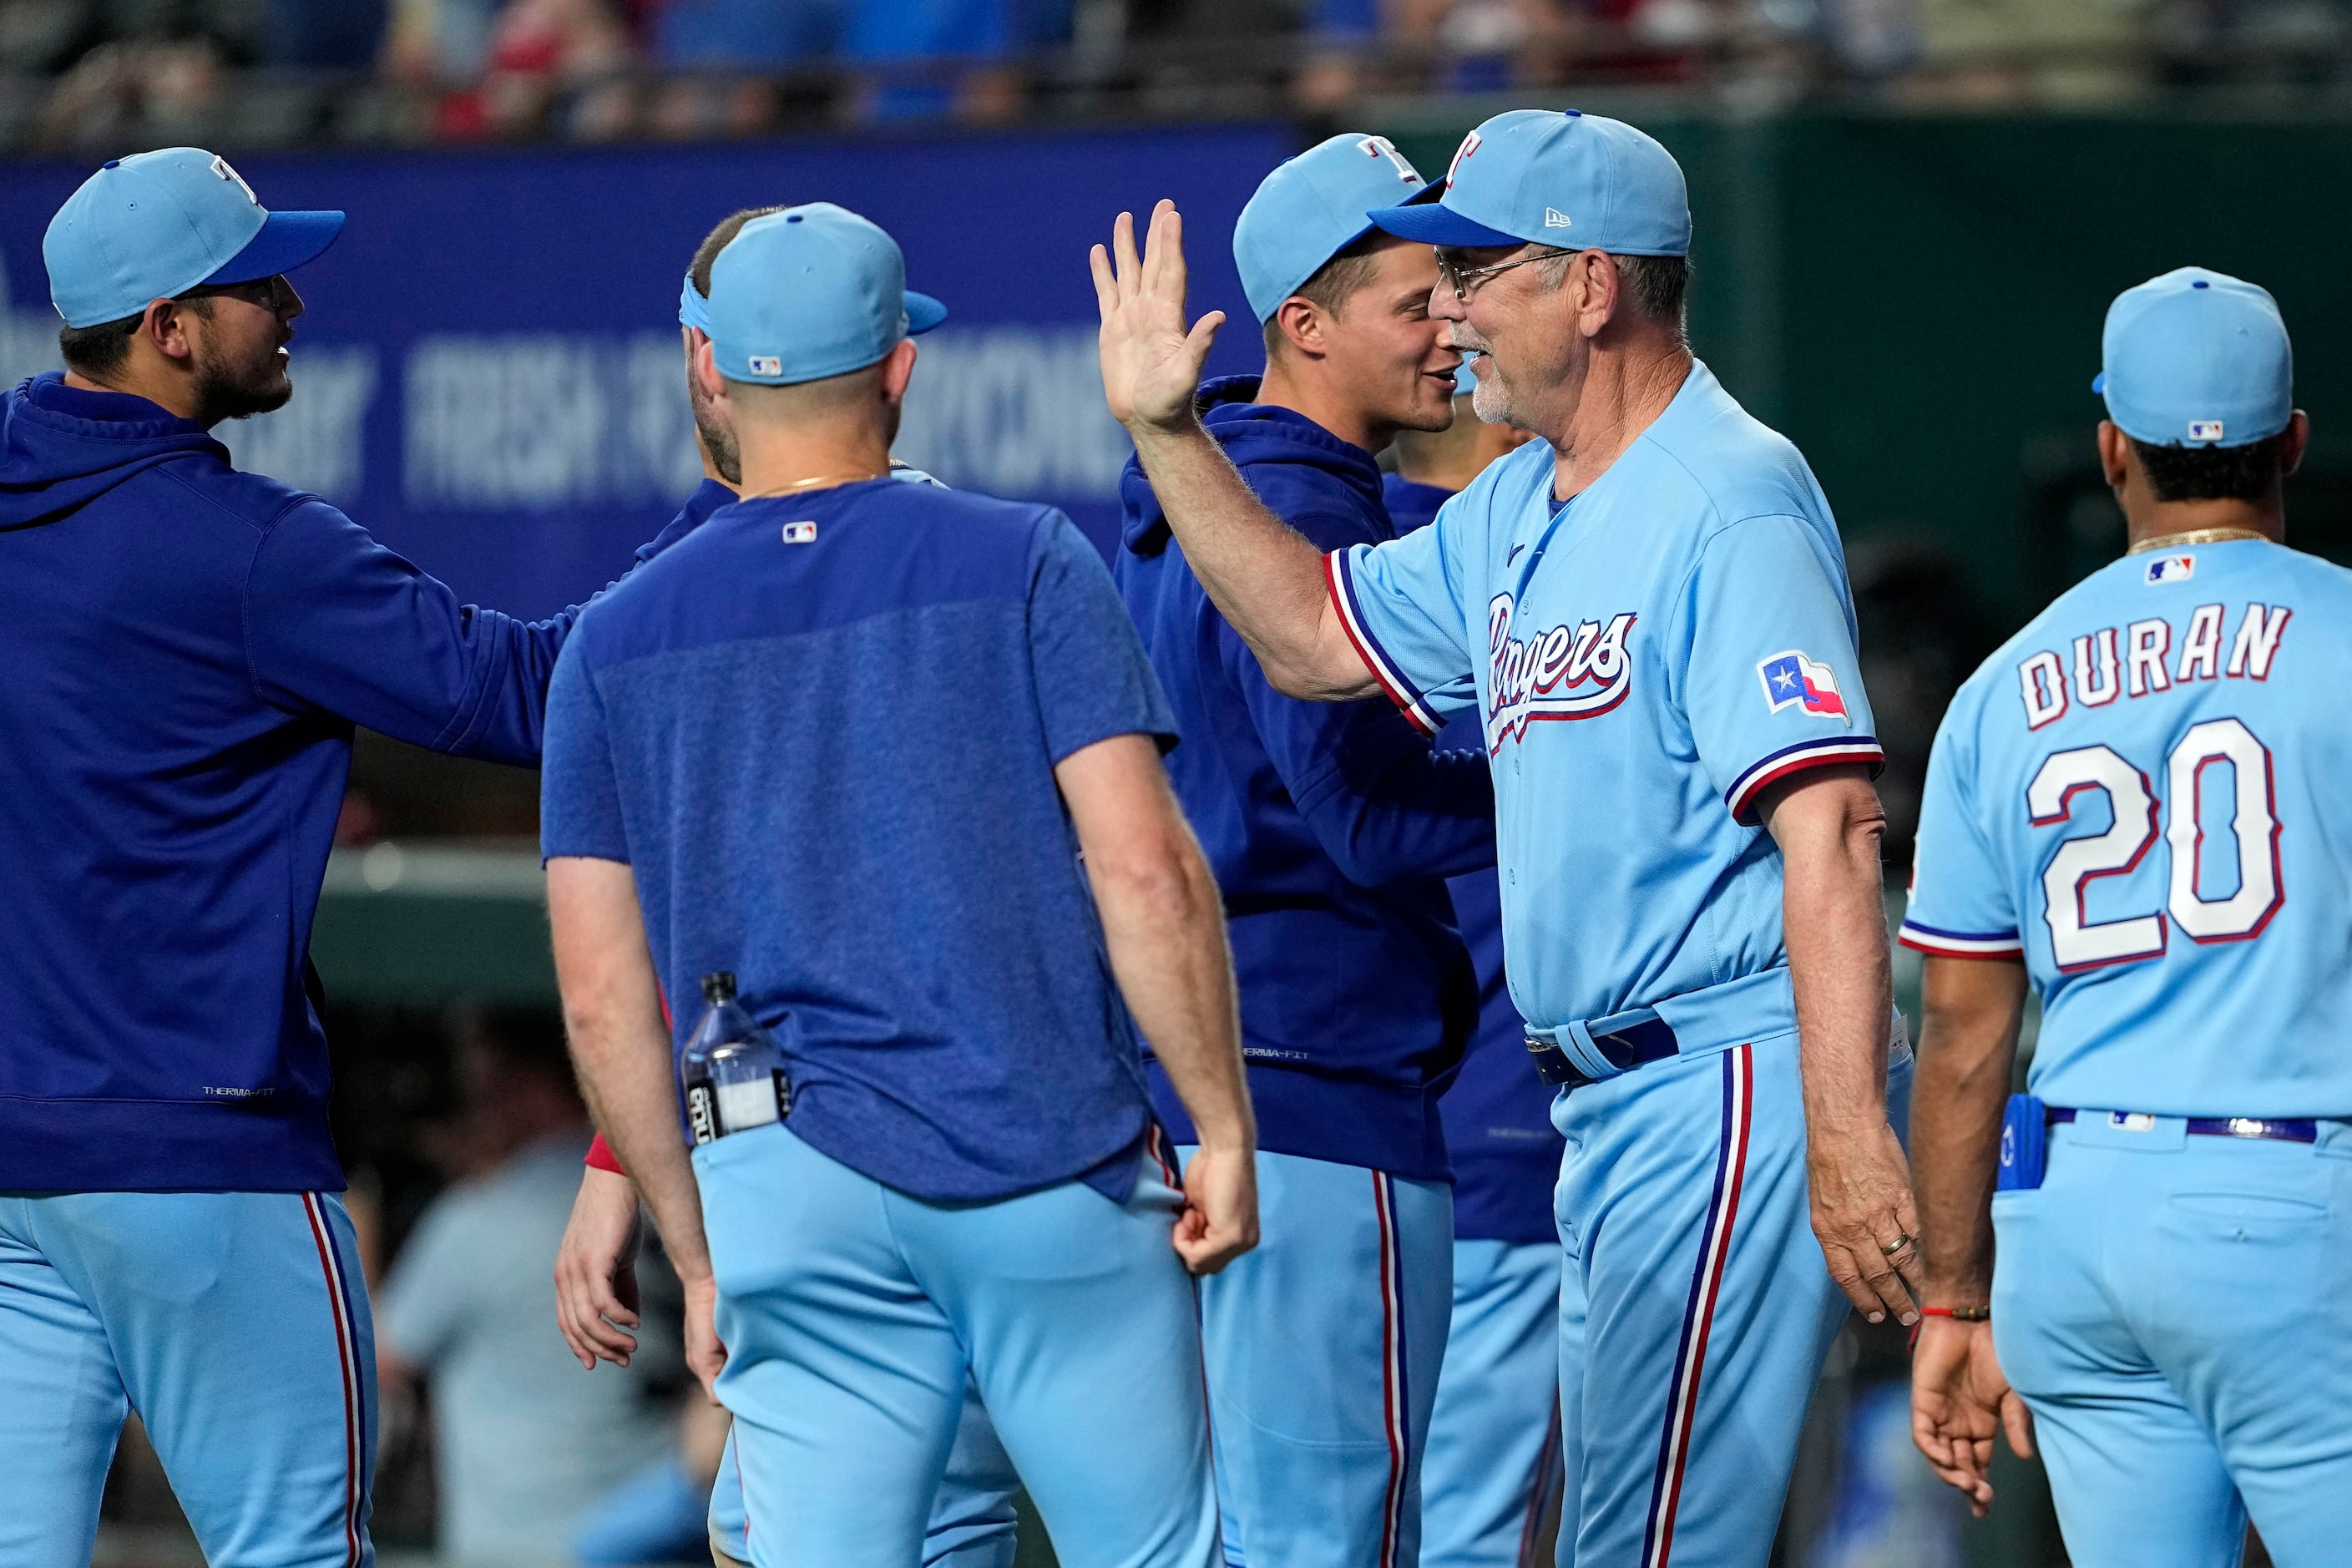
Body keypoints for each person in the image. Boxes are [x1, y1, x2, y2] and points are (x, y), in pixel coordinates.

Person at [1092, 107, 1920, 1567]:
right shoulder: (1518, 504)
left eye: (1483, 269)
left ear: (1590, 286)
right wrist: (1168, 429)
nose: (1455, 307)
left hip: (1725, 1070)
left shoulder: (1726, 493)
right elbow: (1305, 635)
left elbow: (1835, 825)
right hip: (1597, 1104)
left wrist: (1850, 1129)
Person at [542, 202, 1256, 1568]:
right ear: (900, 366)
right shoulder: (1025, 556)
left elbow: (596, 993)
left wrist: (697, 1254)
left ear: (712, 371)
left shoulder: (613, 634)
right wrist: (1216, 1114)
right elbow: (1145, 868)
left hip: (781, 1177)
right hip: (1043, 1159)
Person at [0, 147, 665, 1568]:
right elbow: (524, 692)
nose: (290, 299)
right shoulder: (243, 548)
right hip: (202, 1153)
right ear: (171, 328)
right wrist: (730, 522)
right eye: (253, 283)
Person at [554, 205, 1029, 1568]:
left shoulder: (948, 567)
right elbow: (692, 933)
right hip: (910, 1154)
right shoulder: (665, 598)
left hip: (863, 1155)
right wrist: (616, 1167)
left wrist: (657, 1209)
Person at [1904, 267, 2352, 1565]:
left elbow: (1964, 1030)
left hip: (2074, 1222)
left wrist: (1953, 1294)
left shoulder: (2003, 684)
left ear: (2110, 449)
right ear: (2294, 441)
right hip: (2291, 1195)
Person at [1114, 132, 1496, 1568]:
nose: (1454, 325)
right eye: (1419, 298)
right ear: (1306, 324)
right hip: (1317, 1104)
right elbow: (1367, 811)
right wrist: (1576, 780)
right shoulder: (1315, 510)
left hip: (1178, 1100)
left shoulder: (1171, 508)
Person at [1383, 373, 1564, 1568]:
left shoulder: (1312, 578)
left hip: (1333, 1142)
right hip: (1505, 1133)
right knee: (1472, 1534)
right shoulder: (1550, 565)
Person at [377, 1010, 672, 1566]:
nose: (475, 1109)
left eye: (484, 1087)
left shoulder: (480, 1219)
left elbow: (377, 1360)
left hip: (524, 1542)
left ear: (533, 1086)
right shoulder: (666, 1191)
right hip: (661, 1524)